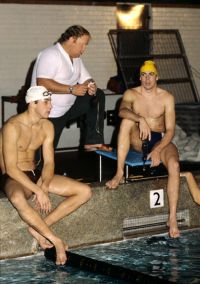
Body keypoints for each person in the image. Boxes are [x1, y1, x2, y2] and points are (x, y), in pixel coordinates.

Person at [0, 86, 92, 265]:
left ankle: (38, 229)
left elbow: (49, 162)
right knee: (18, 198)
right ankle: (55, 239)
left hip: (35, 174)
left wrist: (44, 183)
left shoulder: (47, 126)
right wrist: (38, 190)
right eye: (46, 102)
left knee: (85, 191)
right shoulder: (12, 127)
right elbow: (11, 168)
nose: (51, 106)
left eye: (50, 101)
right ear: (33, 103)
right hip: (14, 177)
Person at [106, 60, 180, 238]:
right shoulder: (131, 94)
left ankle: (172, 217)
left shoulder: (167, 97)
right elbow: (122, 110)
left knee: (175, 166)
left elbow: (170, 131)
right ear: (140, 77)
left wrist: (157, 149)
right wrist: (140, 119)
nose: (147, 79)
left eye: (151, 75)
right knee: (126, 121)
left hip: (160, 140)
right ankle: (119, 173)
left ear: (157, 77)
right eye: (144, 75)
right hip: (138, 140)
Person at [31, 25, 111, 151]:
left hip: (68, 109)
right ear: (72, 40)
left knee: (98, 94)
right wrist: (71, 89)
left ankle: (93, 141)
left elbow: (87, 79)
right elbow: (42, 83)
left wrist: (91, 86)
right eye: (82, 44)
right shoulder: (51, 54)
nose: (84, 49)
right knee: (43, 155)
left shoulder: (76, 59)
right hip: (49, 114)